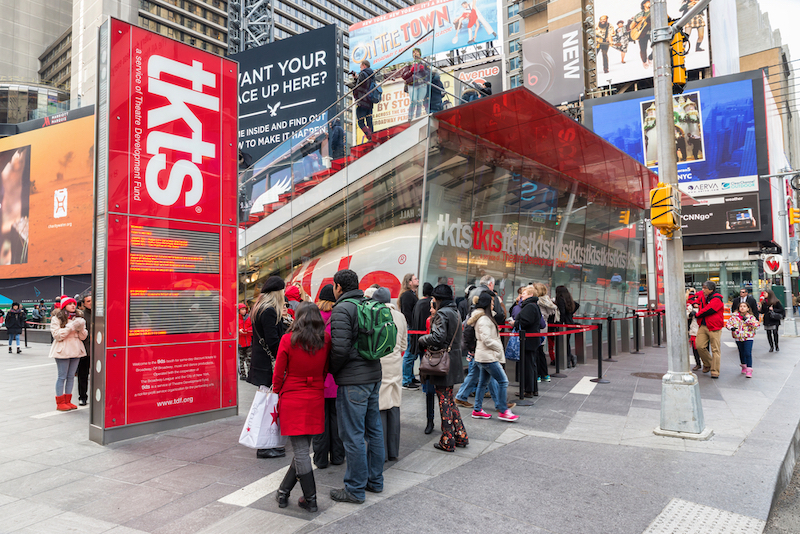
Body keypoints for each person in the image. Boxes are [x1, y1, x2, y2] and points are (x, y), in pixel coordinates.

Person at [328, 269, 384, 504]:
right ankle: (375, 481)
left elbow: (340, 349)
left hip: (353, 380)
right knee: (374, 430)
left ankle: (355, 489)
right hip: (373, 375)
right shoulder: (368, 304)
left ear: (338, 287)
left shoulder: (342, 308)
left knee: (352, 435)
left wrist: (331, 369)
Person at [273, 302, 331, 513]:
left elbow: (279, 371)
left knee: (300, 452)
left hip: (292, 396)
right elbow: (325, 369)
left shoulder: (288, 339)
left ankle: (311, 499)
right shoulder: (326, 340)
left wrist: (276, 391)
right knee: (302, 451)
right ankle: (283, 492)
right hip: (315, 395)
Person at [418, 284, 470, 451]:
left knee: (444, 400)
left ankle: (447, 439)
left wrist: (422, 339)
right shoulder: (455, 312)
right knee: (448, 398)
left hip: (442, 361)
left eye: (434, 298)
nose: (433, 301)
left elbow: (438, 337)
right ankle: (461, 435)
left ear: (439, 299)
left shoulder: (442, 313)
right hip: (453, 359)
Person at [248, 276, 288, 459]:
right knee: (267, 406)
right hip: (268, 365)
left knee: (266, 405)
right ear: (277, 292)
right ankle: (263, 446)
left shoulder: (259, 308)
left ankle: (267, 443)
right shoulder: (270, 311)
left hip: (261, 363)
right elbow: (273, 341)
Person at [469, 291, 518, 423]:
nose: (493, 305)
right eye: (491, 302)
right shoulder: (484, 319)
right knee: (503, 381)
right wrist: (498, 347)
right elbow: (487, 339)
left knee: (483, 383)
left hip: (484, 355)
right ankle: (503, 410)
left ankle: (477, 409)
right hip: (487, 356)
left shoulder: (484, 317)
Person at [371, 287, 406, 461]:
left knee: (380, 406)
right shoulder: (400, 316)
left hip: (380, 365)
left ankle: (381, 452)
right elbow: (404, 344)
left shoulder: (375, 314)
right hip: (396, 365)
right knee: (394, 405)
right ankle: (393, 451)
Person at [312, 284, 345, 469]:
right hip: (335, 377)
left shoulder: (313, 318)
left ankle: (320, 459)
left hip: (317, 377)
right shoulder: (339, 317)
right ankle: (338, 456)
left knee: (320, 420)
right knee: (336, 418)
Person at [49, 296, 88, 411]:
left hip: (76, 349)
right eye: (70, 303)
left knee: (71, 376)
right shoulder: (57, 318)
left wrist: (81, 328)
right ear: (64, 306)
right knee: (62, 376)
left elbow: (83, 337)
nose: (73, 305)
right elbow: (57, 336)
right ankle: (60, 402)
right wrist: (71, 327)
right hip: (63, 349)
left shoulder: (79, 317)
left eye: (74, 304)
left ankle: (68, 401)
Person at [409, 282, 436, 434]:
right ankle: (430, 420)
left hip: (439, 357)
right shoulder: (428, 320)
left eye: (432, 307)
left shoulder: (445, 318)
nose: (430, 309)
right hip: (429, 355)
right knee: (430, 391)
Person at [694, 280, 724, 378]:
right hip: (703, 324)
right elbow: (696, 298)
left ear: (710, 289)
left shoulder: (717, 298)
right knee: (699, 346)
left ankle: (715, 370)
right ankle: (709, 363)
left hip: (714, 326)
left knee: (715, 349)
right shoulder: (704, 296)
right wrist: (694, 303)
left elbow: (709, 309)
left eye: (704, 288)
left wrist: (697, 314)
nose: (703, 290)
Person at [518, 285, 544, 397]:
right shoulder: (534, 306)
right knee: (532, 364)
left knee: (528, 365)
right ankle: (533, 389)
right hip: (533, 340)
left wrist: (516, 322)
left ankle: (528, 390)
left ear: (530, 295)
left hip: (528, 340)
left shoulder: (529, 306)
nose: (521, 295)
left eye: (524, 293)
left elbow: (524, 321)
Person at [726, 301, 759, 378]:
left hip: (748, 337)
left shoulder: (751, 317)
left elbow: (757, 326)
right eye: (741, 306)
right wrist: (731, 328)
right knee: (741, 352)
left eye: (744, 306)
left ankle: (749, 369)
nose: (742, 308)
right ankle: (743, 366)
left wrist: (747, 320)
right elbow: (728, 324)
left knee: (748, 352)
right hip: (738, 337)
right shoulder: (734, 316)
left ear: (748, 308)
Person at [398, 273, 420, 390]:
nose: (418, 280)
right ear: (409, 282)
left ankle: (410, 377)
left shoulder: (411, 294)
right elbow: (407, 313)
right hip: (411, 329)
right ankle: (406, 380)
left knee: (412, 352)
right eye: (415, 279)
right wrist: (412, 326)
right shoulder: (407, 295)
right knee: (410, 353)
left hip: (412, 328)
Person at [534, 283, 557, 377]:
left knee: (537, 351)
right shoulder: (547, 300)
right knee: (541, 351)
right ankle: (544, 374)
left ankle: (538, 374)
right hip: (544, 327)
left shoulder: (538, 301)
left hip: (538, 327)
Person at [350, 60, 376, 142]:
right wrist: (356, 78)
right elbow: (366, 84)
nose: (360, 68)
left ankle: (370, 137)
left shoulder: (362, 74)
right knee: (369, 120)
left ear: (364, 66)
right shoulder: (372, 74)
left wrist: (355, 81)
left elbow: (358, 87)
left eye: (360, 67)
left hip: (362, 101)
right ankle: (373, 136)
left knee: (360, 121)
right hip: (370, 101)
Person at [554, 286, 579, 367]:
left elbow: (562, 312)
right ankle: (570, 358)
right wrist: (570, 314)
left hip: (564, 324)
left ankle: (568, 359)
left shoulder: (560, 299)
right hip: (570, 323)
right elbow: (577, 305)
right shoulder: (568, 298)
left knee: (564, 343)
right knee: (566, 342)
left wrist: (560, 323)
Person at [404, 48, 429, 121]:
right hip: (412, 84)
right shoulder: (409, 64)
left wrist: (423, 70)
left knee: (419, 102)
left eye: (417, 52)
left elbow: (429, 74)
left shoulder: (424, 63)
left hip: (422, 85)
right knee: (413, 100)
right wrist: (411, 71)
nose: (415, 53)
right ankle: (410, 117)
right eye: (414, 52)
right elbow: (404, 75)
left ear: (420, 54)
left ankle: (417, 118)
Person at [77, 294, 92, 406]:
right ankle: (82, 396)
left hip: (101, 350)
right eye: (88, 301)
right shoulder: (81, 316)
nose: (91, 302)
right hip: (85, 349)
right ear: (84, 304)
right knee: (83, 374)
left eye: (92, 300)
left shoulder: (103, 313)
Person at [238, 303, 252, 380]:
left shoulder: (249, 318)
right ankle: (242, 374)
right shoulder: (236, 318)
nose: (243, 311)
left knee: (249, 359)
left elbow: (252, 327)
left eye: (244, 309)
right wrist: (238, 331)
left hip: (248, 342)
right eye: (242, 309)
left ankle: (250, 374)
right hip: (240, 343)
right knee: (241, 359)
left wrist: (246, 330)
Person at [687, 301, 701, 372]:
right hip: (693, 330)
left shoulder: (703, 306)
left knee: (704, 349)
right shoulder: (690, 307)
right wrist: (690, 314)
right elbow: (685, 315)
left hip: (703, 330)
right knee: (695, 349)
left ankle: (706, 364)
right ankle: (698, 363)